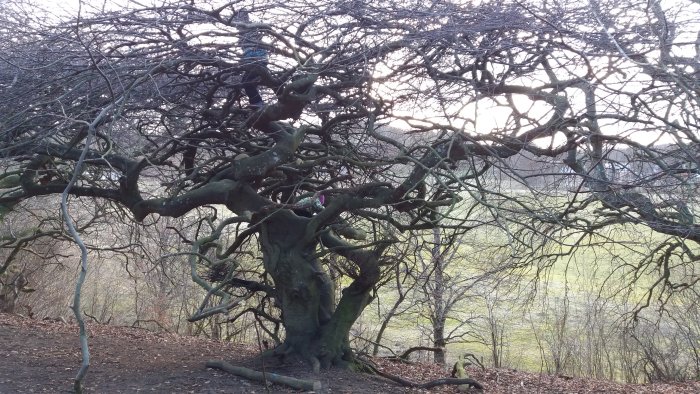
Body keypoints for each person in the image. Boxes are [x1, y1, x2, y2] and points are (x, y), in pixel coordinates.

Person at [237, 9, 267, 109]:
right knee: (247, 82)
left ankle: (258, 103)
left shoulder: (251, 29)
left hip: (257, 61)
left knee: (246, 82)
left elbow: (255, 44)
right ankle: (257, 103)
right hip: (254, 61)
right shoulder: (243, 33)